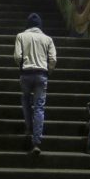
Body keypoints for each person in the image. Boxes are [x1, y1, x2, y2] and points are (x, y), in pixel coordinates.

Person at [13, 13, 56, 155]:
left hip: (26, 74)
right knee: (39, 108)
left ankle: (28, 126)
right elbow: (53, 59)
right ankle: (36, 142)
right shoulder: (48, 39)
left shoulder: (20, 36)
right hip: (41, 74)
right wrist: (48, 71)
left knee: (25, 99)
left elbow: (17, 57)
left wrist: (21, 65)